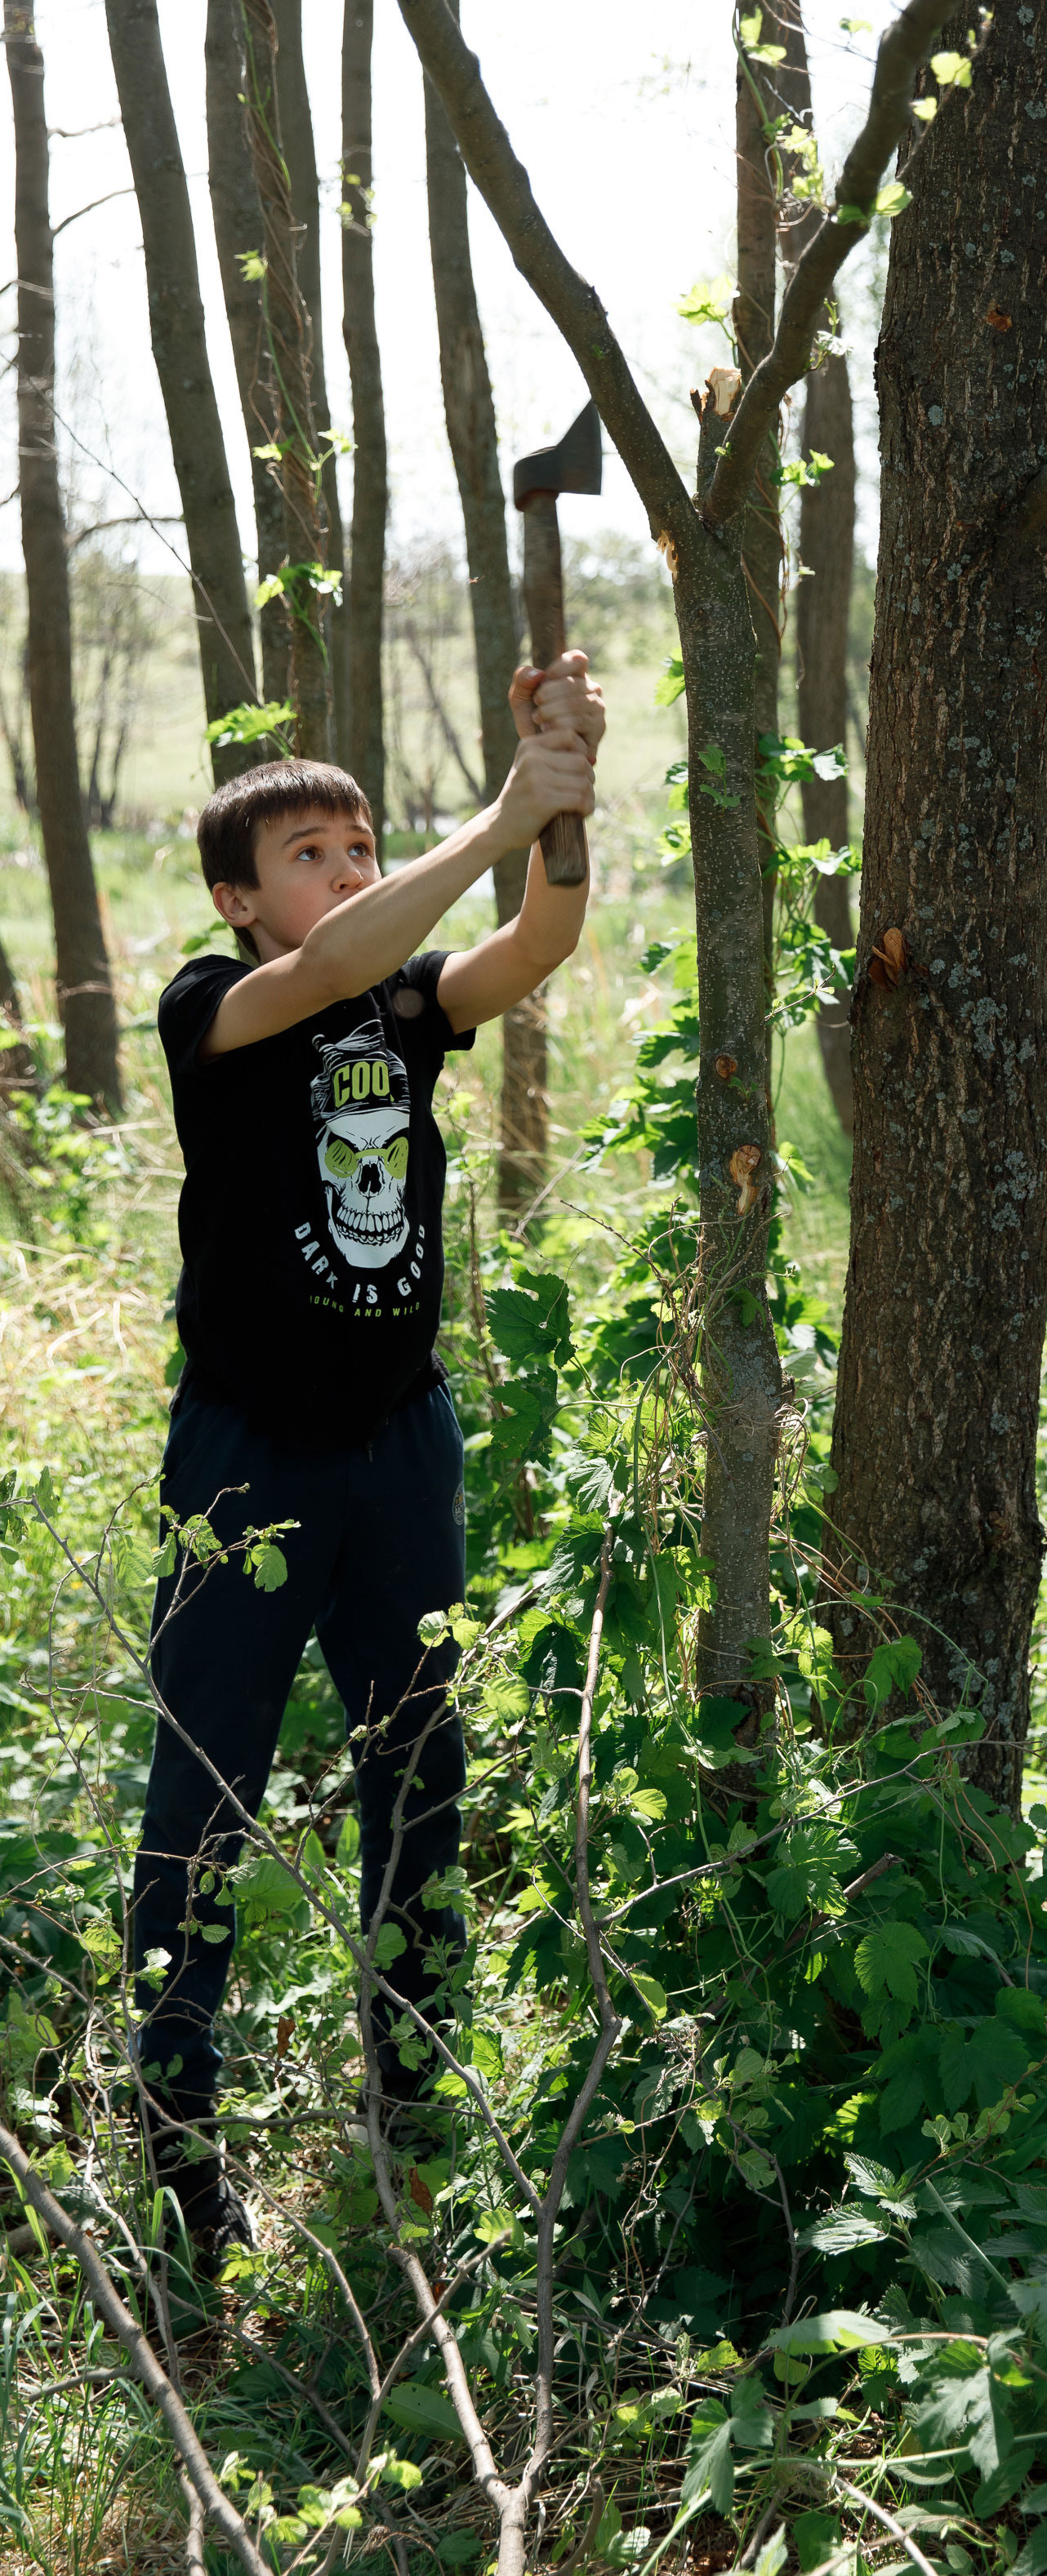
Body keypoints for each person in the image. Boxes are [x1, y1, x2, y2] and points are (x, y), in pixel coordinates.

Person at [133, 652, 604, 2262]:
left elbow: (537, 940)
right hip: (250, 1459)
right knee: (207, 1792)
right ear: (238, 898)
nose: (345, 874)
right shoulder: (217, 1005)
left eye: (357, 843)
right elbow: (338, 959)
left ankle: (413, 2113)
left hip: (402, 1451)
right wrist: (499, 809)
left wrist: (565, 799)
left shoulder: (409, 999)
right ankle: (178, 2155)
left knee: (423, 1773)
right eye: (311, 856)